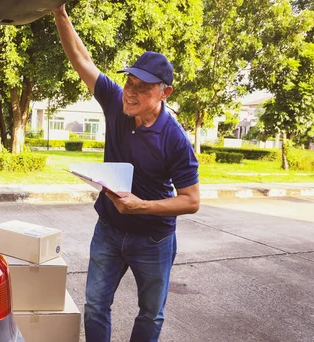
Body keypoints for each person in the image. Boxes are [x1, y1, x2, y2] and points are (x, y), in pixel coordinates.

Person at [52, 4, 200, 342]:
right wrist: (59, 12)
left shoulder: (174, 140)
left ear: (164, 92)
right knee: (95, 306)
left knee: (150, 313)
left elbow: (192, 201)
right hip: (108, 229)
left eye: (142, 88)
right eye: (128, 82)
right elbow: (81, 60)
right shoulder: (116, 103)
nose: (130, 92)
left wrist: (142, 206)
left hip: (153, 238)